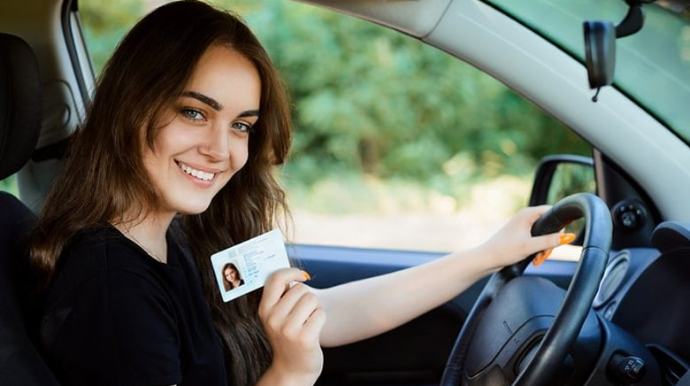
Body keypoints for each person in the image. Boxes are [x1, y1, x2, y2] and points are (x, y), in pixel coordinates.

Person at [29, 1, 568, 386]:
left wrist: (488, 255)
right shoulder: (112, 290)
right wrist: (290, 372)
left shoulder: (177, 233)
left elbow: (318, 314)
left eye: (241, 125)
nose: (222, 150)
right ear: (131, 107)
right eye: (194, 112)